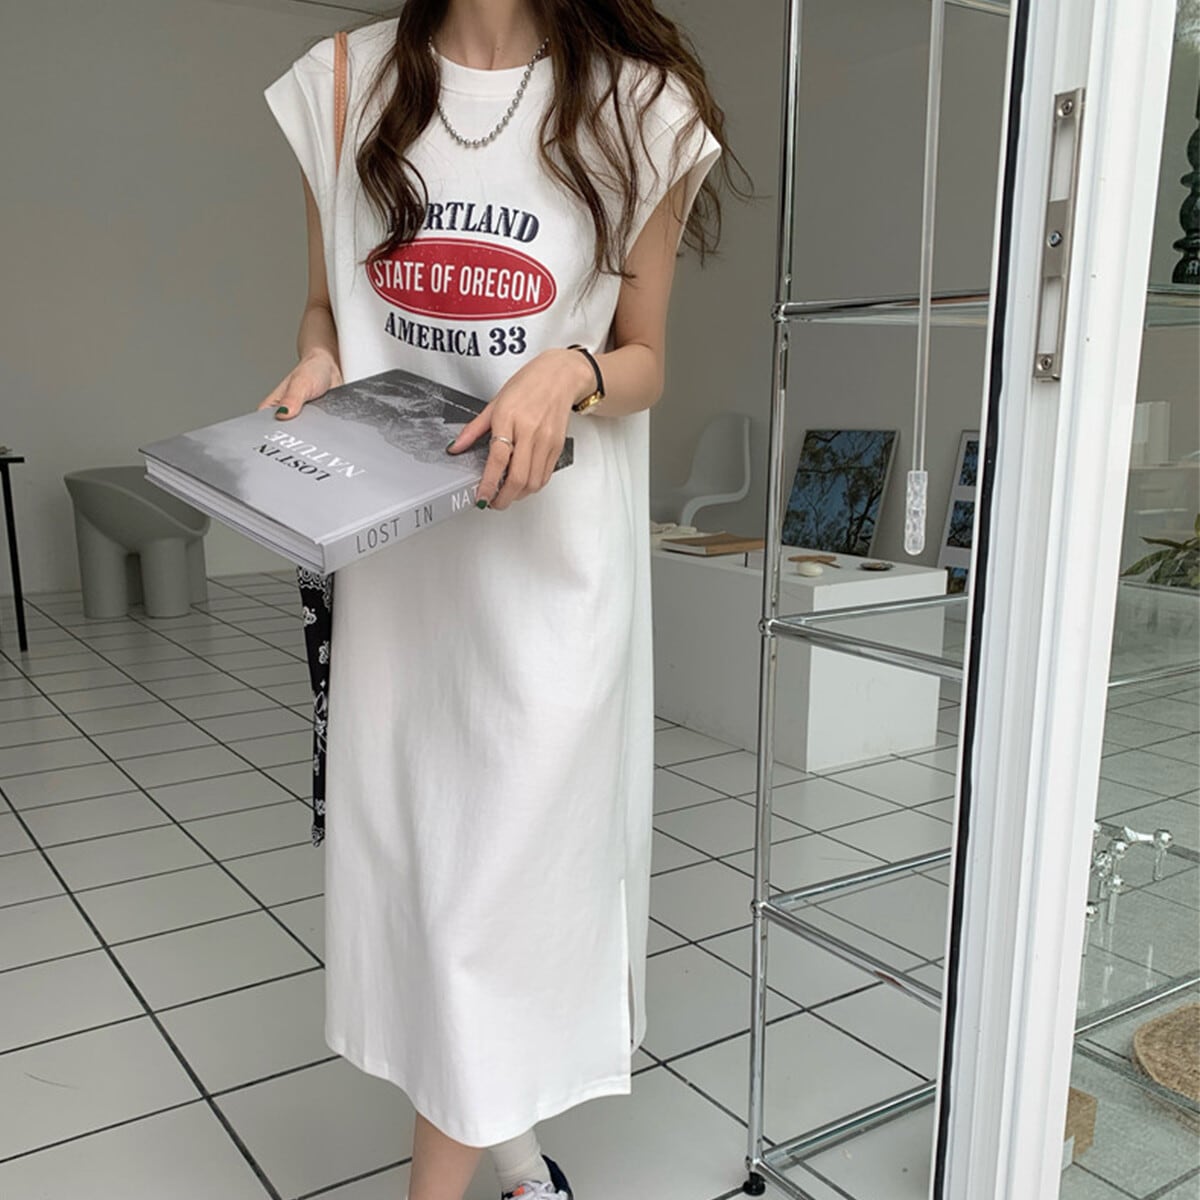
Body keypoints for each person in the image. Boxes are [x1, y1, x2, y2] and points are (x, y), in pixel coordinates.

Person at [259, 3, 742, 1197]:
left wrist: (570, 371)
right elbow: (325, 305)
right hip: (398, 580)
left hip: (548, 581)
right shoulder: (343, 81)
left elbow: (643, 358)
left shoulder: (640, 104)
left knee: (489, 902)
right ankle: (525, 1172)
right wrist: (318, 360)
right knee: (426, 885)